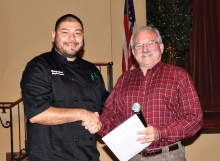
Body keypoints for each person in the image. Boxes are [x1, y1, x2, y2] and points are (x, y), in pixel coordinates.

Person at [98, 26, 203, 161]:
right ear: (133, 53)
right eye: (139, 45)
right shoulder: (124, 80)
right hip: (132, 156)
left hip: (168, 156)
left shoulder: (179, 76)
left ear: (161, 47)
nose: (145, 49)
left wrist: (160, 133)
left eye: (150, 43)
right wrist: (99, 123)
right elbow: (112, 116)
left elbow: (195, 119)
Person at [20, 14, 109, 161]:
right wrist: (83, 114)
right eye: (65, 32)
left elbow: (105, 108)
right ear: (54, 35)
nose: (72, 38)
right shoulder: (39, 66)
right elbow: (37, 114)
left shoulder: (92, 71)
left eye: (77, 33)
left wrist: (100, 122)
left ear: (83, 37)